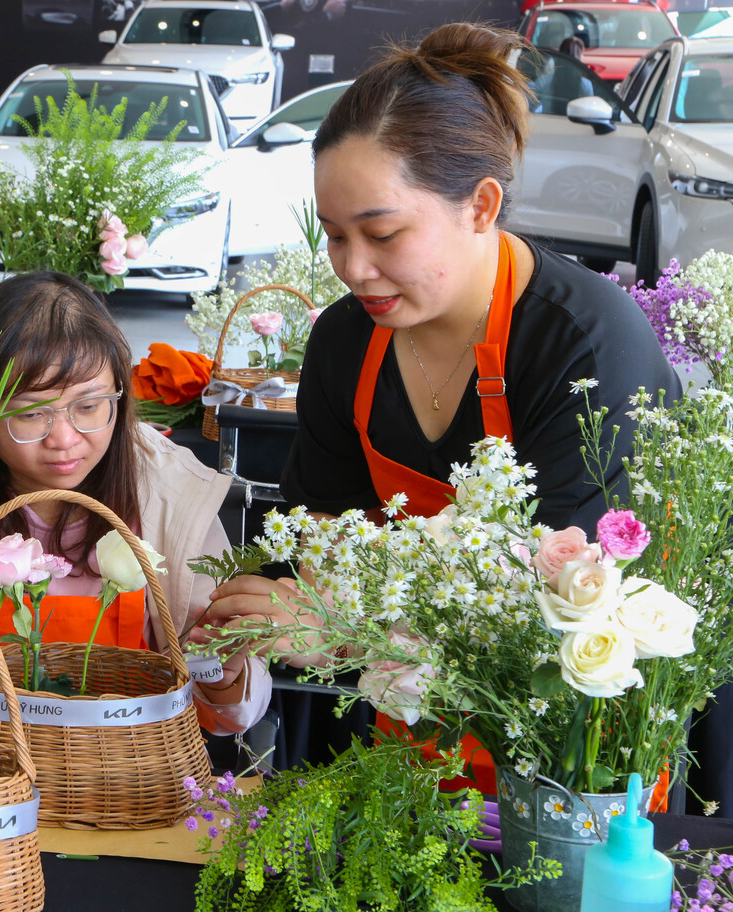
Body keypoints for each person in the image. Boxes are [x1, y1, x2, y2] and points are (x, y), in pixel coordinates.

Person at [205, 22, 679, 788]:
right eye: (332, 237)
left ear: (482, 205)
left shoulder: (584, 347)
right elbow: (319, 530)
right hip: (404, 724)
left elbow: (561, 600)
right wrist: (259, 608)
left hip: (575, 740)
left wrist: (334, 625)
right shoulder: (344, 342)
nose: (355, 269)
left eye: (383, 234)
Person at [0, 272, 271, 736]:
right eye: (30, 412)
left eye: (88, 407)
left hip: (124, 776)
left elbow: (229, 715)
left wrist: (223, 679)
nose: (63, 440)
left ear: (120, 398)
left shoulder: (170, 494)